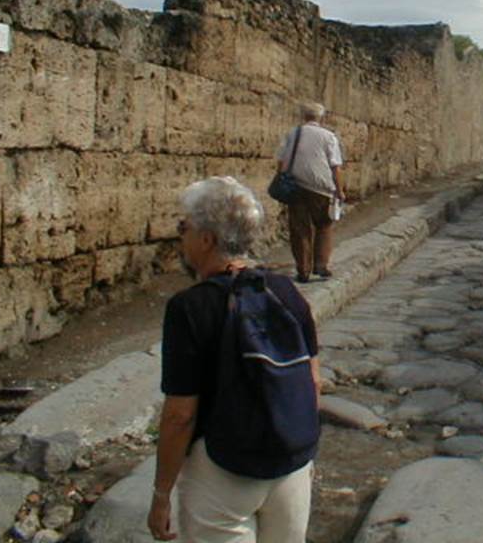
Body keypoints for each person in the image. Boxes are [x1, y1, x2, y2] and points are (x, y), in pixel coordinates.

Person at [147, 176, 322, 542]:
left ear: (207, 239)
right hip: (289, 465)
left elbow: (180, 415)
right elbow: (312, 382)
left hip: (222, 469)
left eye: (183, 228)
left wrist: (161, 494)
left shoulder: (189, 308)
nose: (180, 238)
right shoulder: (285, 292)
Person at [275, 102, 345, 283]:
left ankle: (303, 269)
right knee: (324, 225)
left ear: (303, 116)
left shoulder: (293, 134)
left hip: (296, 186)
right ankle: (321, 265)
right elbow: (335, 166)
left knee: (299, 229)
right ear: (321, 117)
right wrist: (339, 190)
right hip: (321, 187)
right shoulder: (328, 136)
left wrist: (282, 180)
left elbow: (281, 161)